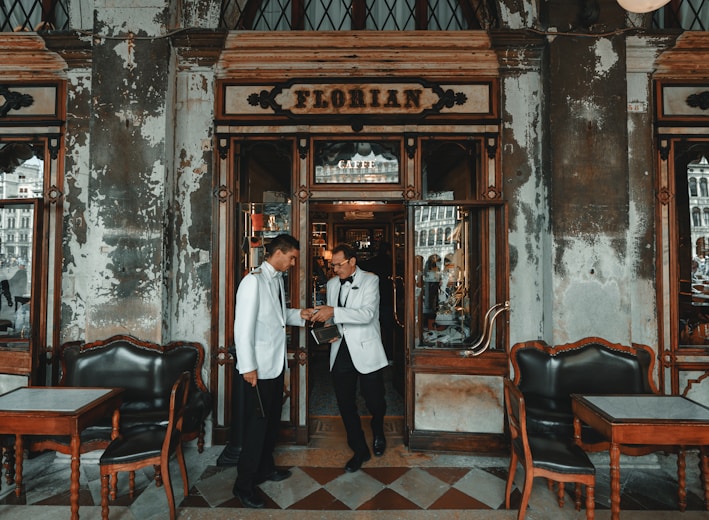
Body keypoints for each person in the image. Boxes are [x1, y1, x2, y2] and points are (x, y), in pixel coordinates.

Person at [232, 234, 311, 509]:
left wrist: (300, 314)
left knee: (271, 423)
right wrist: (248, 367)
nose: (292, 264)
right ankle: (243, 486)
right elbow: (242, 329)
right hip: (258, 368)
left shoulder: (276, 281)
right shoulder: (252, 282)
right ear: (278, 253)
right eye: (291, 258)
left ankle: (265, 469)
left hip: (276, 365)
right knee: (256, 428)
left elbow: (278, 318)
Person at [309, 243, 388, 472]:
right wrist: (329, 329)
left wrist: (332, 311)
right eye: (332, 265)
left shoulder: (371, 280)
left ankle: (379, 430)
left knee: (375, 400)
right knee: (345, 404)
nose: (334, 270)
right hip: (341, 351)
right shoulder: (333, 284)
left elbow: (367, 315)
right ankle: (359, 449)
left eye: (338, 265)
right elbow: (333, 319)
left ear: (353, 261)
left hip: (366, 349)